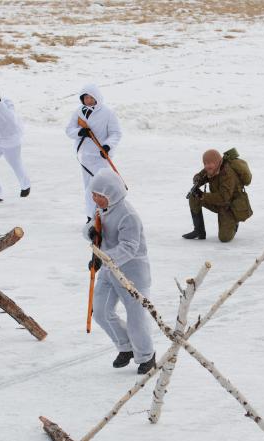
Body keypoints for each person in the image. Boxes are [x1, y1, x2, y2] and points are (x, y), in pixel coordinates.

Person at [83, 168, 155, 374]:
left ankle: (146, 355)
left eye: (99, 195)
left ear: (111, 194)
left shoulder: (128, 215)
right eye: (93, 194)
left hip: (132, 271)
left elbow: (129, 247)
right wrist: (90, 232)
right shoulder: (103, 210)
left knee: (136, 316)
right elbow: (92, 227)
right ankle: (126, 347)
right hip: (109, 268)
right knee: (101, 311)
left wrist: (104, 258)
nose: (95, 198)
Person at [65, 84, 122, 222]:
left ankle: (102, 216)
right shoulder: (79, 112)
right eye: (85, 98)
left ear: (97, 97)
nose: (88, 100)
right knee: (88, 189)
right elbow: (69, 130)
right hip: (85, 157)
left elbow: (116, 133)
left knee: (99, 188)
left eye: (91, 97)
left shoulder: (108, 113)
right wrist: (80, 132)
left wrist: (107, 146)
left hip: (100, 158)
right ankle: (91, 216)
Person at [183, 148, 253, 242]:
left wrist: (202, 195)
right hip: (218, 202)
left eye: (210, 163)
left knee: (224, 238)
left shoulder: (227, 173)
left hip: (230, 207)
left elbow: (224, 198)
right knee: (193, 197)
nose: (207, 166)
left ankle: (234, 222)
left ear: (217, 162)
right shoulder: (212, 168)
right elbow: (201, 175)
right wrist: (197, 179)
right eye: (205, 163)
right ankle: (199, 231)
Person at [0, 90, 31, 203]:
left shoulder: (6, 106)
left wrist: (0, 106)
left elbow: (11, 121)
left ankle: (25, 184)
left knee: (16, 165)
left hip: (11, 141)